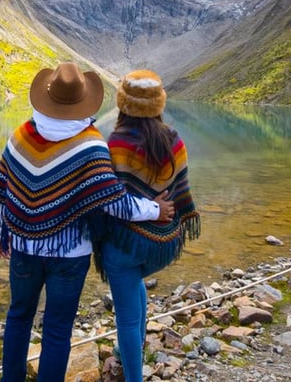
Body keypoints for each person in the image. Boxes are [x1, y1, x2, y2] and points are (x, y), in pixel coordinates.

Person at [0, 62, 174, 382]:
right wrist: (155, 210)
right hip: (69, 255)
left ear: (46, 97)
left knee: (18, 317)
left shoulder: (21, 136)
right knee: (57, 331)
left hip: (23, 248)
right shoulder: (91, 145)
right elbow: (115, 203)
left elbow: (2, 192)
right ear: (81, 101)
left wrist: (1, 233)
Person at [93, 69, 201, 382]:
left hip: (126, 245)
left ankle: (133, 375)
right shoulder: (175, 140)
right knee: (136, 282)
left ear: (124, 105)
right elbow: (181, 192)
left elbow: (110, 201)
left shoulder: (115, 143)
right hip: (164, 242)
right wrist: (161, 214)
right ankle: (133, 351)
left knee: (125, 318)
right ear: (158, 105)